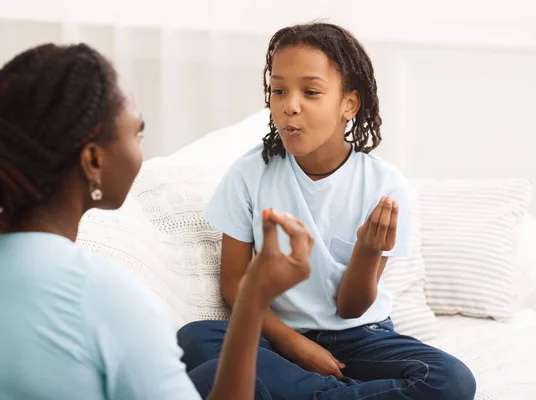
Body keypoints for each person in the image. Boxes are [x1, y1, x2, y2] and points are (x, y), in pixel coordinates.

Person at [178, 22, 477, 399]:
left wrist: (368, 252)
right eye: (279, 90)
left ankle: (295, 391)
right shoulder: (248, 174)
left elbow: (351, 308)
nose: (290, 105)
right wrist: (294, 345)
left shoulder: (384, 186)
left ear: (349, 104)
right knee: (193, 339)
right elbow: (235, 284)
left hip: (361, 339)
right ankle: (333, 393)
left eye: (311, 92)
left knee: (450, 381)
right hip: (275, 336)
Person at [0, 43, 314, 400]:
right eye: (137, 133)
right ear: (92, 160)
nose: (140, 149)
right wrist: (252, 298)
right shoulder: (104, 295)